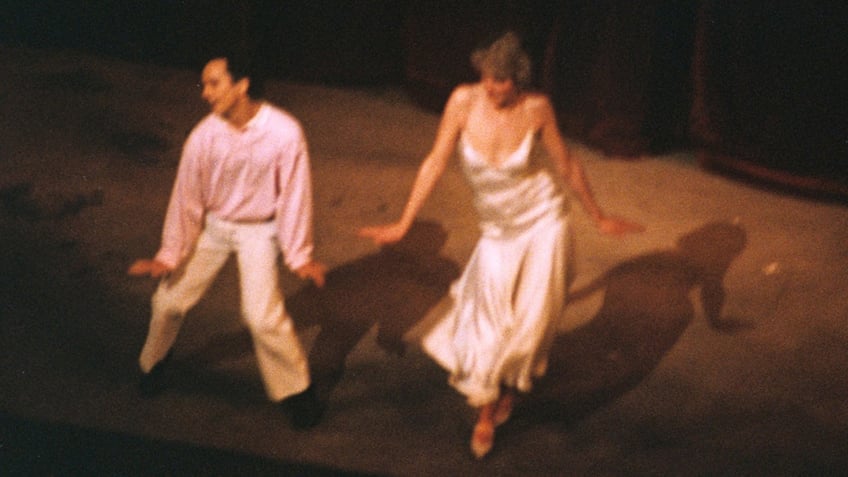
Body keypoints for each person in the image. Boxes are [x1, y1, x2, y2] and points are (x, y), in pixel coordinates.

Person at [359, 32, 643, 458]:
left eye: (502, 81)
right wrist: (403, 222)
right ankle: (487, 410)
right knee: (488, 321)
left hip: (544, 221)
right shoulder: (462, 101)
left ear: (519, 82)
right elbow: (436, 160)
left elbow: (566, 162)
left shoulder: (537, 108)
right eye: (488, 77)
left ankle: (502, 392)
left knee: (531, 322)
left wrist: (598, 217)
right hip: (498, 231)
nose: (492, 87)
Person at [128, 55, 327, 429]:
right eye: (203, 84)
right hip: (216, 228)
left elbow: (295, 194)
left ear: (242, 85)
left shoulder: (285, 132)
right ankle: (153, 363)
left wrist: (299, 253)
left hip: (260, 231)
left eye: (213, 83)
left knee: (261, 316)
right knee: (168, 301)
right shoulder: (204, 136)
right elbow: (186, 200)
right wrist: (170, 255)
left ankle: (298, 392)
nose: (205, 93)